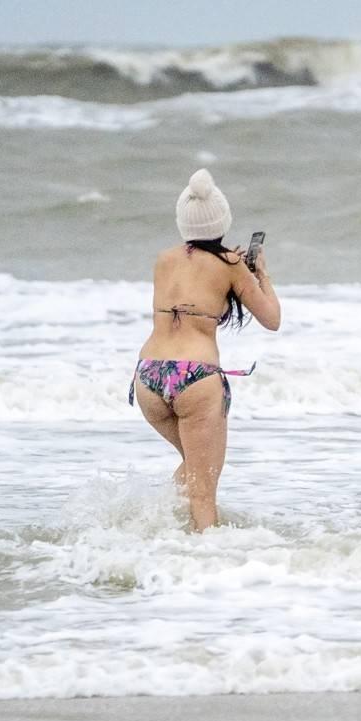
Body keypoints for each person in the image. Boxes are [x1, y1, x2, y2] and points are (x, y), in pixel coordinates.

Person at [131, 168, 281, 530]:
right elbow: (271, 319)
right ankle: (206, 564)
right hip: (195, 379)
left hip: (148, 375)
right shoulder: (231, 265)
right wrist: (260, 273)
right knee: (204, 489)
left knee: (194, 467)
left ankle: (154, 528)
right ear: (222, 219)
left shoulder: (163, 259)